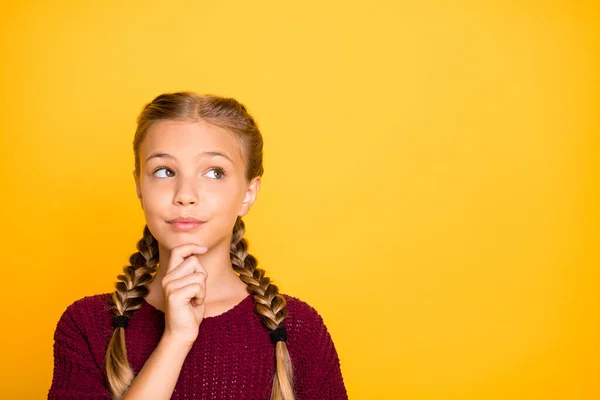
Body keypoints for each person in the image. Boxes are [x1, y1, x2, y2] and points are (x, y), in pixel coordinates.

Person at [48, 92, 348, 400]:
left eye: (214, 172)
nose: (186, 194)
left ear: (248, 192)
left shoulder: (299, 330)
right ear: (139, 184)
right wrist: (176, 339)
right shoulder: (86, 325)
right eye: (164, 171)